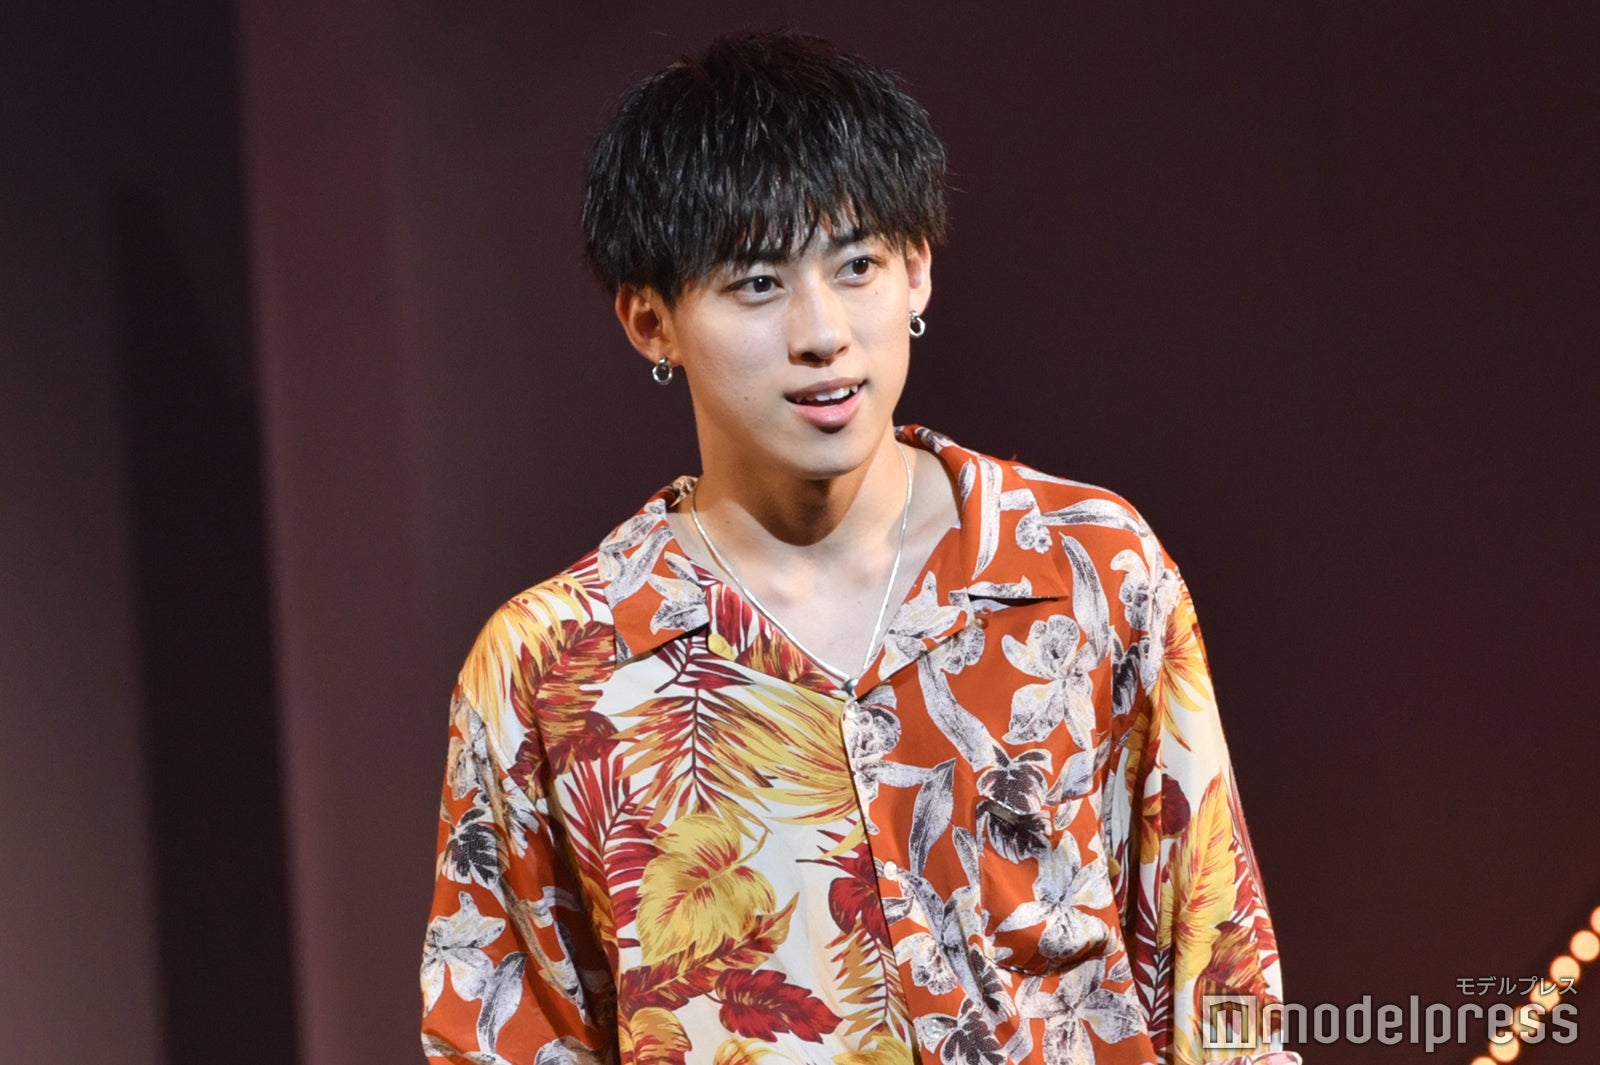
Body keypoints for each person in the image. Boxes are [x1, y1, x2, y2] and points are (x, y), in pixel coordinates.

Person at [421, 31, 1298, 1065]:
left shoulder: (1087, 568)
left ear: (916, 271)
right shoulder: (552, 669)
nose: (822, 332)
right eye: (757, 283)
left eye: (856, 266)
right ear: (650, 321)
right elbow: (506, 1035)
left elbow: (1218, 968)